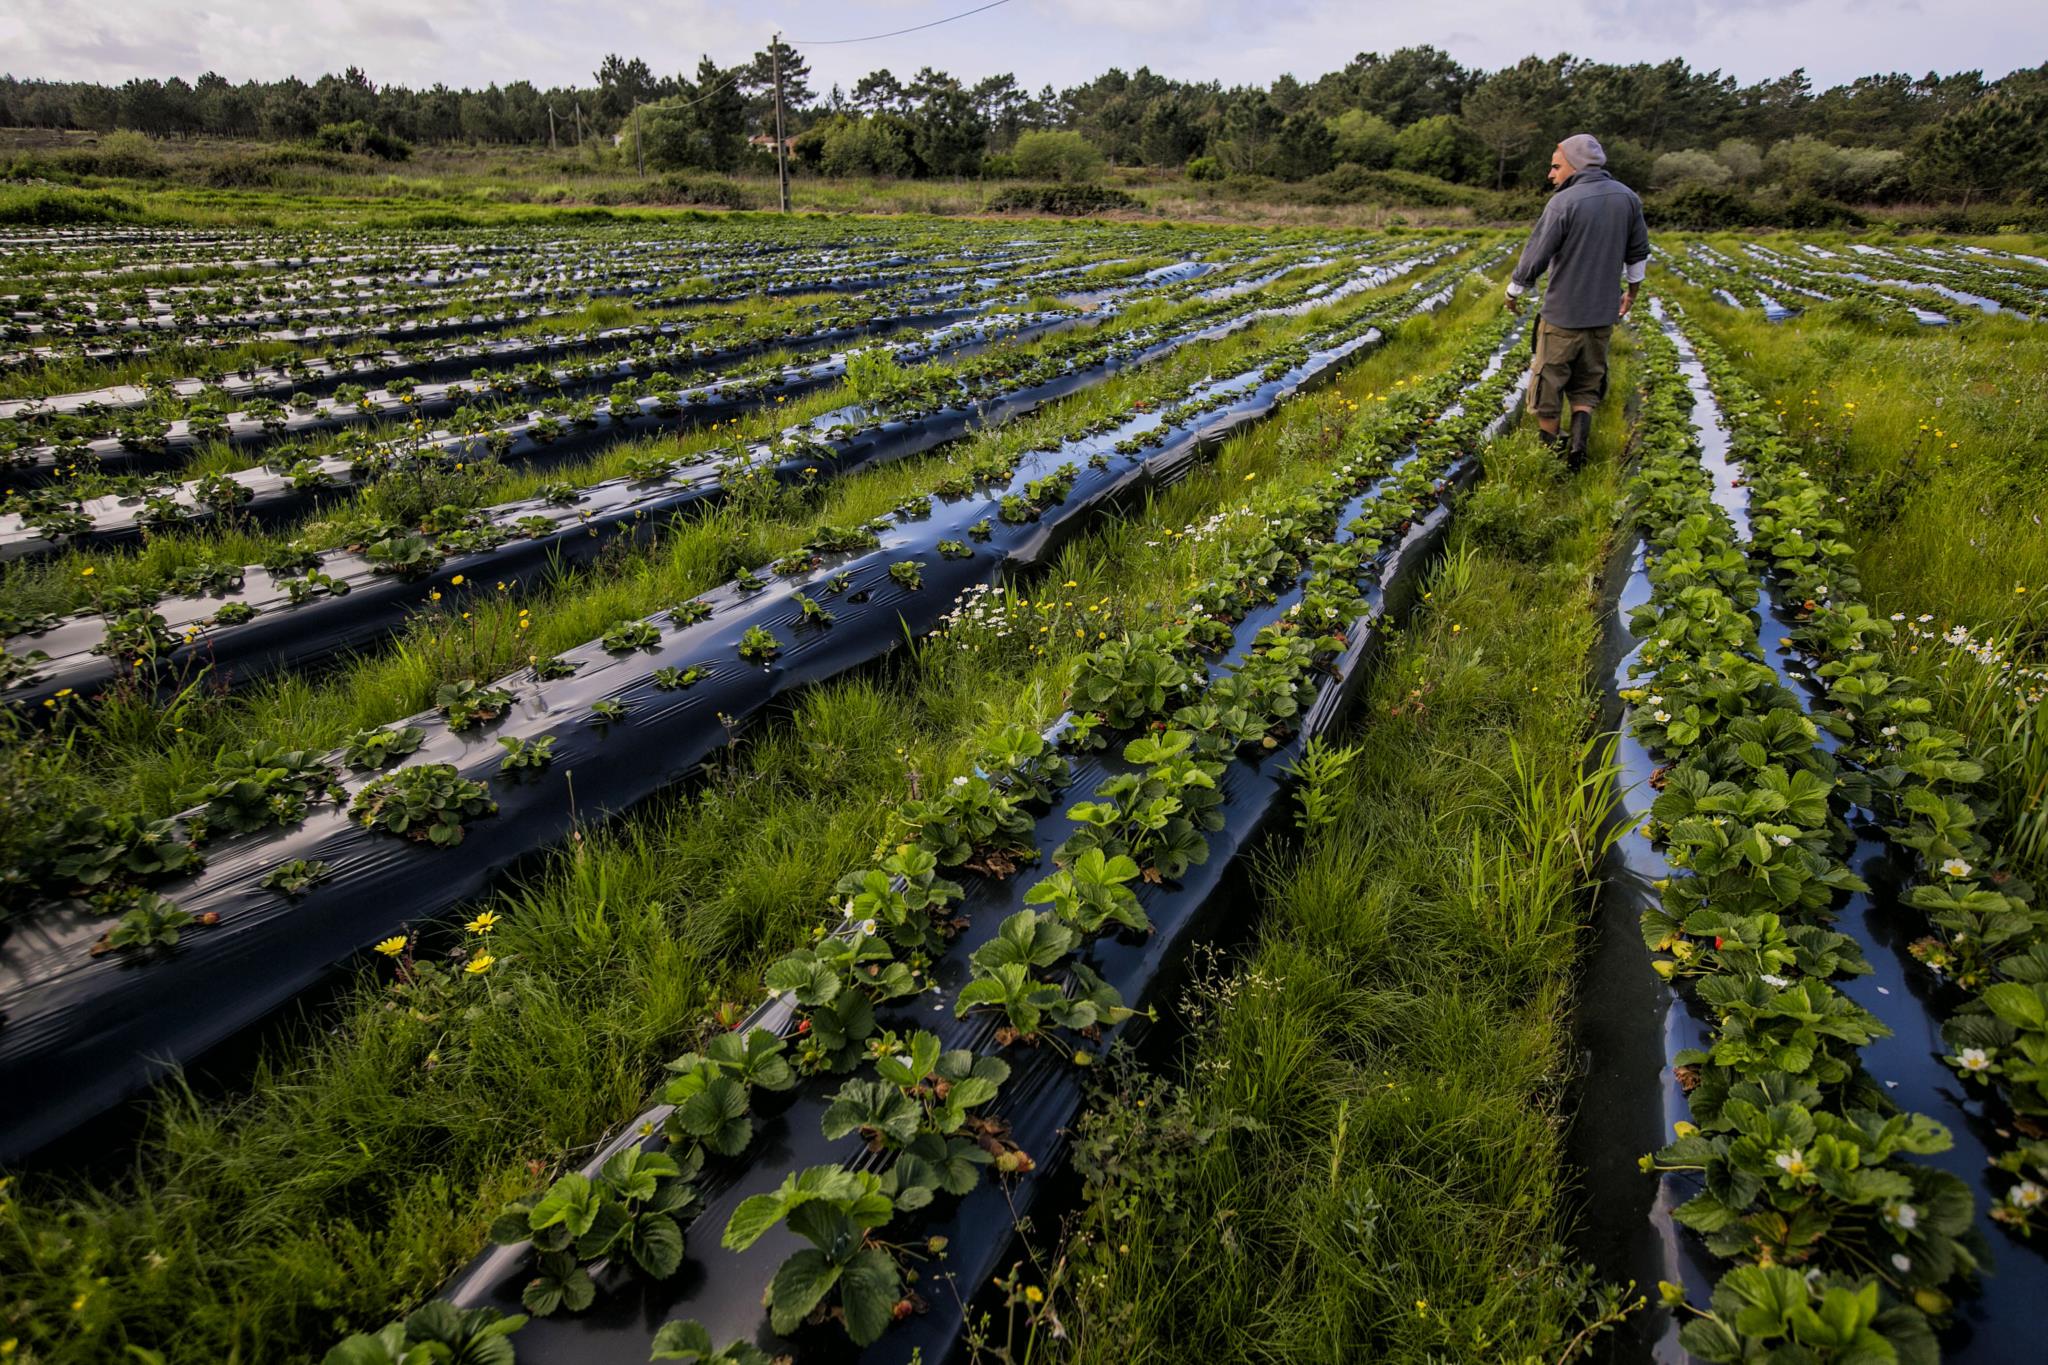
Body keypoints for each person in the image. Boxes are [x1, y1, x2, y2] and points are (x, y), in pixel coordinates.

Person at [1504, 133, 1650, 469]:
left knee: (1547, 386)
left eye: (1556, 167)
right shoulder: (1627, 198)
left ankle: (1549, 457)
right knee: (1587, 383)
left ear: (1576, 164)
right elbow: (1638, 254)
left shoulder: (1564, 202)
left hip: (1562, 316)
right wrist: (1631, 293)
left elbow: (1536, 254)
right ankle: (1578, 452)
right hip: (1602, 315)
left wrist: (1514, 291)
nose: (1550, 174)